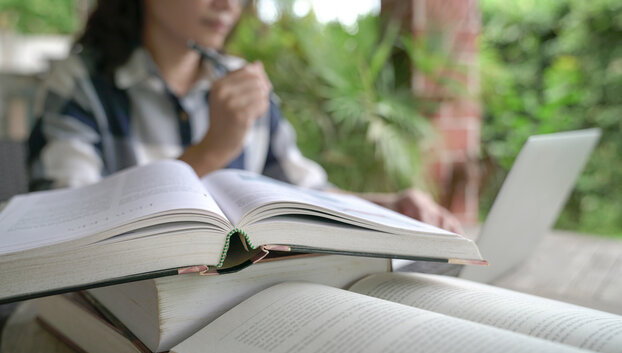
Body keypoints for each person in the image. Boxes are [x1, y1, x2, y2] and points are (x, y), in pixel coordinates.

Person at [28, 0, 462, 233]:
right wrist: (214, 149)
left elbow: (308, 192)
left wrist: (393, 207)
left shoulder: (242, 84)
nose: (227, 4)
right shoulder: (80, 85)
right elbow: (67, 231)